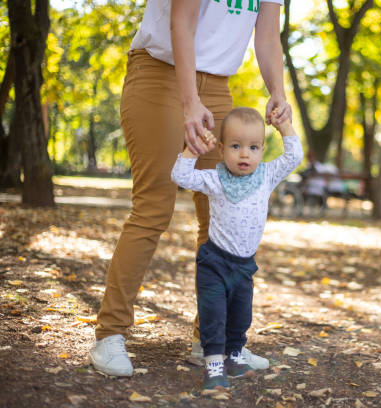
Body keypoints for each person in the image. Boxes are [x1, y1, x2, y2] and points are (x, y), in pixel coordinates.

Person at [89, 0, 291, 377]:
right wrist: (189, 102)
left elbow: (267, 36)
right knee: (153, 208)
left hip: (217, 84)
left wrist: (278, 90)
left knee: (220, 213)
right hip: (160, 74)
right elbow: (181, 22)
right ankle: (110, 334)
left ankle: (212, 341)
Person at [171, 107, 303, 390]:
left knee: (242, 316)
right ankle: (214, 367)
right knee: (214, 317)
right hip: (214, 263)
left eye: (253, 147)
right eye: (235, 146)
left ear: (262, 149)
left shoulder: (266, 175)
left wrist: (285, 126)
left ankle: (234, 356)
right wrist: (193, 151)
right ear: (220, 149)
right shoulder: (215, 178)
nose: (245, 154)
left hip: (244, 266)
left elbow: (294, 156)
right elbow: (180, 176)